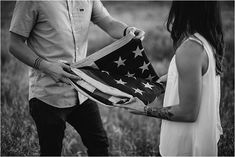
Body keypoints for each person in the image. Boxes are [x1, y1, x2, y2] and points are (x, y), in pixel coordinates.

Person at [8, 0, 144, 156]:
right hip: (47, 96)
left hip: (83, 91)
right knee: (51, 152)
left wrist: (128, 30)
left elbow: (108, 22)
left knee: (100, 146)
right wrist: (46, 66)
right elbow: (14, 44)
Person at [118, 1, 224, 156]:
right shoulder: (208, 40)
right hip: (200, 143)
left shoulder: (191, 49)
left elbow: (188, 113)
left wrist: (145, 110)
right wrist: (175, 77)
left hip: (186, 147)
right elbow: (203, 78)